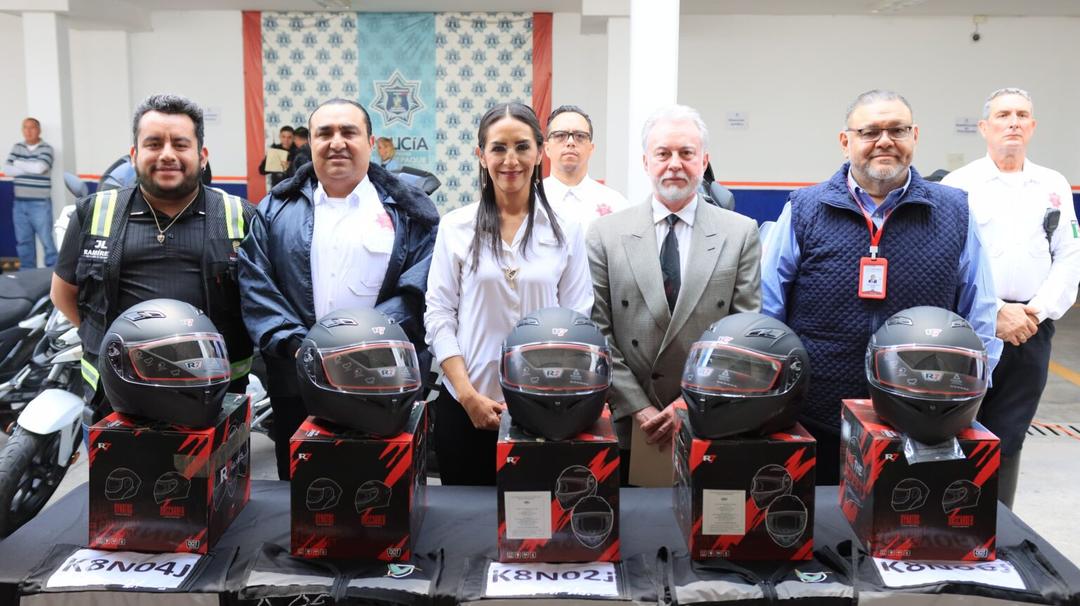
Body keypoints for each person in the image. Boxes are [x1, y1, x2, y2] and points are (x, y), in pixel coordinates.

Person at [761, 90, 1002, 485]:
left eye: (897, 130)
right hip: (817, 414)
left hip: (923, 415)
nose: (885, 141)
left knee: (904, 533)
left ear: (915, 136)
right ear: (846, 142)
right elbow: (768, 305)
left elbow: (981, 310)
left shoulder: (955, 211)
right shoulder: (804, 209)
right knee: (820, 528)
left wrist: (971, 391)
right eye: (870, 131)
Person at [240, 99, 439, 480]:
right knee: (303, 492)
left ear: (370, 141)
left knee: (381, 488)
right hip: (298, 379)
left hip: (384, 379)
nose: (337, 142)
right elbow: (255, 284)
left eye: (348, 132)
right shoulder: (275, 210)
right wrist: (302, 348)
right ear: (310, 143)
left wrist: (366, 345)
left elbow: (422, 284)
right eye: (324, 133)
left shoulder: (409, 210)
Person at [587, 104, 761, 485]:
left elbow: (744, 335)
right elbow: (599, 333)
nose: (675, 164)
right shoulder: (605, 234)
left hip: (708, 414)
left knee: (706, 533)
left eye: (687, 153)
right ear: (646, 161)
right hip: (631, 423)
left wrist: (687, 403)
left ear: (704, 160)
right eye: (663, 154)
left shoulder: (740, 233)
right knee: (635, 530)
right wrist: (640, 408)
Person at [424, 102, 593, 486]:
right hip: (466, 407)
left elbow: (578, 320)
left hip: (547, 409)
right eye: (499, 148)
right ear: (481, 156)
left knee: (535, 530)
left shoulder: (567, 230)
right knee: (468, 528)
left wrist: (552, 397)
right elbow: (438, 316)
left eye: (521, 146)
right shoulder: (456, 227)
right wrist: (467, 395)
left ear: (539, 150)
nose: (510, 159)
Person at [50, 93, 255, 410]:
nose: (167, 154)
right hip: (115, 398)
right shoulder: (92, 213)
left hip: (215, 398)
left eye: (180, 144)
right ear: (134, 154)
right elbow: (62, 293)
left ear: (202, 156)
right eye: (154, 143)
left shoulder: (239, 216)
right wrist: (103, 340)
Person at [941, 88, 1080, 508]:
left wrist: (1035, 312)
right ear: (985, 127)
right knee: (957, 427)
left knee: (1010, 432)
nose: (1014, 122)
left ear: (1033, 127)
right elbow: (947, 260)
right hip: (972, 326)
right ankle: (952, 519)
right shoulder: (958, 184)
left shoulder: (1052, 184)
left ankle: (1000, 527)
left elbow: (1069, 254)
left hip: (1033, 328)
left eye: (1022, 115)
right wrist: (997, 311)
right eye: (1003, 115)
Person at [542, 104, 629, 229]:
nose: (570, 142)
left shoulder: (616, 204)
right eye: (560, 135)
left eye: (580, 136)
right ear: (547, 148)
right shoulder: (530, 201)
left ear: (591, 148)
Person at [5, 117, 56, 269]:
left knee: (47, 241)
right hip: (19, 203)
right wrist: (30, 166)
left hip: (40, 203)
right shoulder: (17, 147)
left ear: (39, 130)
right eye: (25, 128)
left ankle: (52, 277)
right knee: (23, 242)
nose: (28, 131)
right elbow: (7, 170)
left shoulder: (46, 148)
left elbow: (40, 168)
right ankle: (27, 275)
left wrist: (18, 164)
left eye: (32, 127)